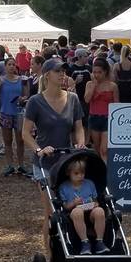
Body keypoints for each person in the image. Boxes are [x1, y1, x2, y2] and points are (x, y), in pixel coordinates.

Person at [23, 58, 86, 248]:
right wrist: (39, 150)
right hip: (45, 164)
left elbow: (79, 127)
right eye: (58, 71)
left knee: (76, 206)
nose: (62, 74)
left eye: (64, 71)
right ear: (47, 74)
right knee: (51, 211)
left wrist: (81, 143)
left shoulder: (73, 98)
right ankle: (51, 255)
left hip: (67, 162)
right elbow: (25, 133)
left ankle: (74, 246)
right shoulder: (35, 101)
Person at [60, 156, 109, 255]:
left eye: (82, 173)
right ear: (68, 173)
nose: (80, 176)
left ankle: (99, 241)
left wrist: (95, 204)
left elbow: (96, 201)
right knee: (77, 211)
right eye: (76, 173)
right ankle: (85, 242)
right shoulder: (64, 187)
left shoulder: (89, 184)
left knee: (100, 211)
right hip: (74, 213)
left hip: (90, 211)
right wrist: (73, 203)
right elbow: (65, 207)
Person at [0, 59, 30, 177]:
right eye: (9, 64)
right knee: (8, 141)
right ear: (5, 67)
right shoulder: (1, 80)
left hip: (19, 113)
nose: (11, 67)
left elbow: (26, 95)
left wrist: (23, 98)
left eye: (13, 64)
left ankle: (21, 165)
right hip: (5, 112)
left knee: (20, 140)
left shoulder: (22, 80)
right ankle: (9, 165)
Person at [85, 58, 118, 164]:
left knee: (104, 150)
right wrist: (93, 87)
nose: (96, 75)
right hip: (94, 117)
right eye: (94, 72)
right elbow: (87, 100)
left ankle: (106, 173)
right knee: (97, 148)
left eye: (99, 72)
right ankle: (100, 169)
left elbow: (117, 104)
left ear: (105, 72)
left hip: (108, 118)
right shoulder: (90, 84)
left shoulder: (112, 86)